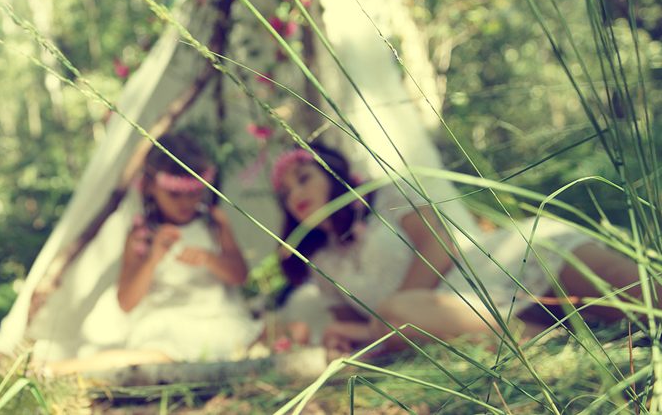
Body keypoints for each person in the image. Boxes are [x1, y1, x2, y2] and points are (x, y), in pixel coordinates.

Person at [272, 142, 648, 353]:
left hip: (499, 268)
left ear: (333, 171)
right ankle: (553, 342)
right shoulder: (318, 263)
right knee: (399, 313)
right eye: (286, 193)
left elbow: (440, 246)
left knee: (643, 296)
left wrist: (382, 319)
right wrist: (345, 337)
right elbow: (356, 331)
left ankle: (572, 330)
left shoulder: (383, 195)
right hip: (448, 322)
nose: (297, 195)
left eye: (304, 178)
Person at [116, 132, 262, 361]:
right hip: (167, 327)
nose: (186, 203)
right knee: (152, 357)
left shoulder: (214, 223)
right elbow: (126, 302)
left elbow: (240, 276)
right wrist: (152, 259)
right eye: (174, 194)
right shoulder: (141, 234)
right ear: (150, 187)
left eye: (194, 193)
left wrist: (210, 259)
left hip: (220, 321)